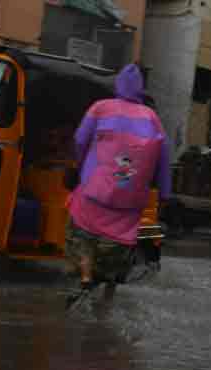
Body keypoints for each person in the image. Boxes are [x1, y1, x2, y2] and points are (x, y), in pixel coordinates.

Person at [65, 64, 171, 308]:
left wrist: (80, 167)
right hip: (130, 199)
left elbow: (80, 141)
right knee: (120, 246)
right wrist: (164, 193)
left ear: (117, 85)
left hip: (94, 189)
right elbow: (164, 161)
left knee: (82, 235)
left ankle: (85, 279)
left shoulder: (100, 108)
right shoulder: (152, 118)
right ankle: (108, 300)